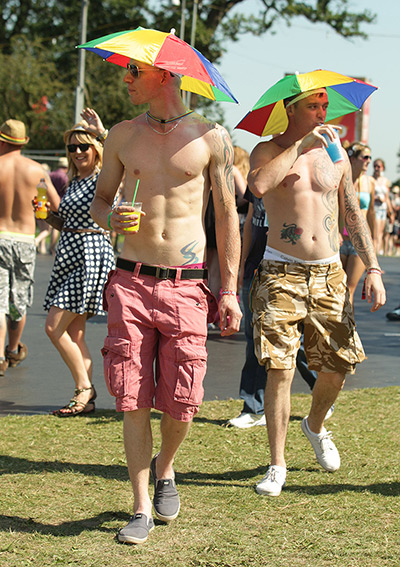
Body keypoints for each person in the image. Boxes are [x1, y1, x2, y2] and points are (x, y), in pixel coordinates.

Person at [90, 60, 242, 545]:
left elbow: (226, 218)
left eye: (135, 72)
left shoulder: (211, 137)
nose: (126, 80)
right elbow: (99, 201)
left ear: (167, 75)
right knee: (130, 396)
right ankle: (139, 507)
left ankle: (166, 469)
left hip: (187, 284)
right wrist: (111, 217)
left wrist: (231, 289)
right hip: (130, 280)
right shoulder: (120, 135)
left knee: (183, 402)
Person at [247, 87, 386, 497]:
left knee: (338, 366)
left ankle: (315, 425)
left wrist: (374, 267)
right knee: (280, 367)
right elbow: (258, 186)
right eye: (314, 106)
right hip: (279, 270)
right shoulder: (265, 150)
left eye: (325, 105)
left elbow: (351, 214)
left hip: (328, 272)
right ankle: (277, 464)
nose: (322, 112)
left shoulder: (336, 154)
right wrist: (299, 146)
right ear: (291, 109)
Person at [41, 108, 115, 416]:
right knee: (75, 334)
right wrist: (48, 216)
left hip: (89, 256)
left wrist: (101, 132)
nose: (77, 152)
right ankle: (84, 391)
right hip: (70, 252)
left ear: (95, 149)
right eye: (72, 147)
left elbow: (121, 158)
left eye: (84, 146)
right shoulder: (75, 181)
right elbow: (68, 222)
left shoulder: (103, 177)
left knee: (52, 328)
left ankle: (85, 389)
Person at [0, 119, 59, 377]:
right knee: (18, 300)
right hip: (24, 240)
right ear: (23, 143)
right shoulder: (36, 171)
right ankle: (13, 349)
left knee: (0, 301)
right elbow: (54, 206)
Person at [340, 142, 375, 307]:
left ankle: (348, 331)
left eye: (370, 157)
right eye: (364, 157)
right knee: (337, 289)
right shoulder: (340, 179)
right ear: (352, 159)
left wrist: (374, 241)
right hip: (340, 239)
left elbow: (372, 213)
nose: (368, 161)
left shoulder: (370, 183)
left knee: (349, 290)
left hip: (359, 241)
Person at [372, 158, 392, 255]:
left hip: (383, 209)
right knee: (375, 235)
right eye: (375, 166)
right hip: (374, 208)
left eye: (378, 166)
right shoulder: (371, 180)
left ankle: (377, 257)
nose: (376, 168)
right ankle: (373, 258)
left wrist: (391, 212)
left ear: (382, 168)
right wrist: (376, 198)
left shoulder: (386, 181)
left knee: (380, 234)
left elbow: (387, 198)